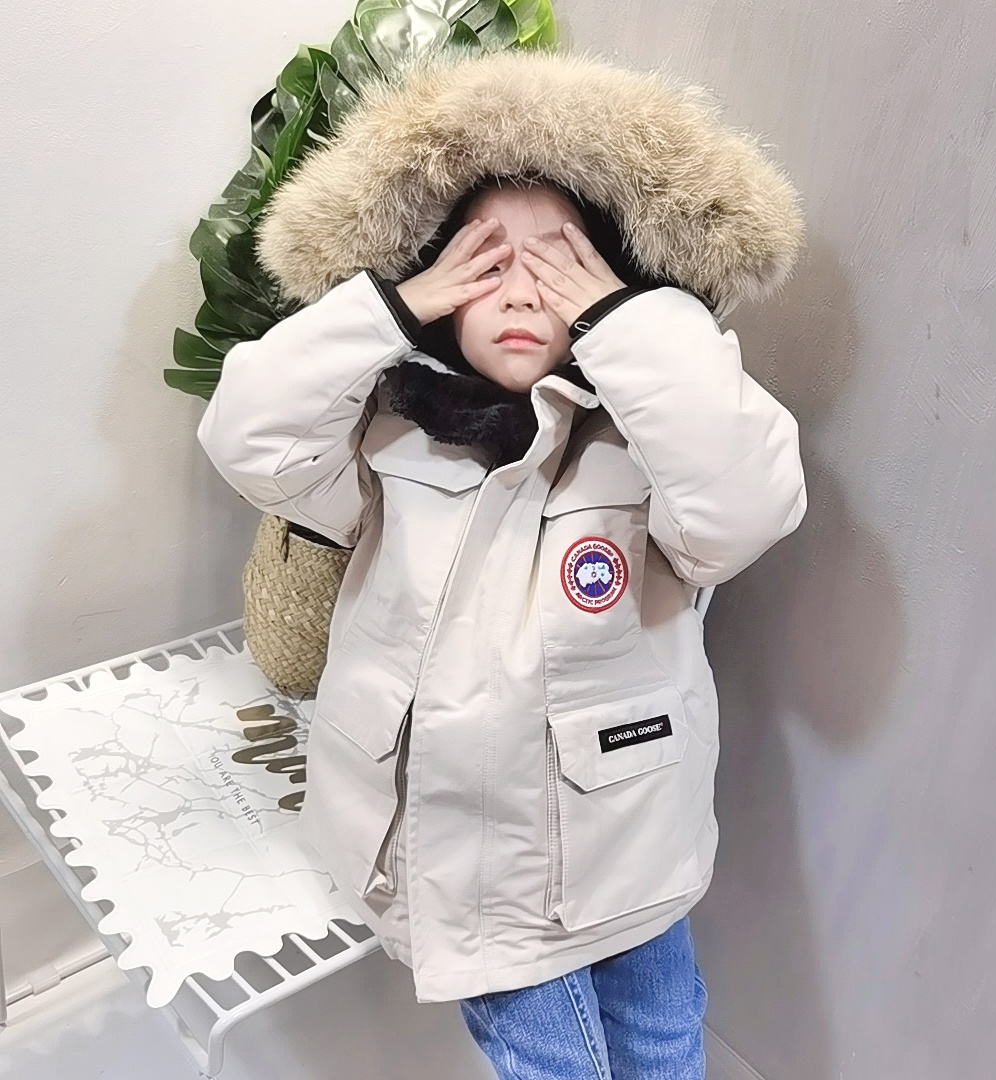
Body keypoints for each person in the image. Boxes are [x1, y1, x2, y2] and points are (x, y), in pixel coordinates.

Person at [197, 170, 805, 1078]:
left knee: (664, 1034)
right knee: (554, 1062)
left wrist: (630, 322)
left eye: (560, 263)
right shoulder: (388, 438)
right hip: (462, 850)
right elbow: (247, 438)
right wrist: (391, 308)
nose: (521, 291)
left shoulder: (644, 448)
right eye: (483, 262)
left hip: (626, 832)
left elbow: (748, 505)